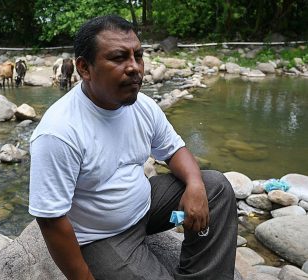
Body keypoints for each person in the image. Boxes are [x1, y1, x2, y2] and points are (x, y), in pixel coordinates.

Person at [29, 15, 237, 280]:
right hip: (101, 236)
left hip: (146, 208)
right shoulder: (59, 132)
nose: (134, 68)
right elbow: (50, 219)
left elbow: (174, 150)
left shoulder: (142, 106)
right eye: (118, 58)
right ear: (84, 68)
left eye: (137, 56)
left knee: (215, 187)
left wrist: (195, 184)